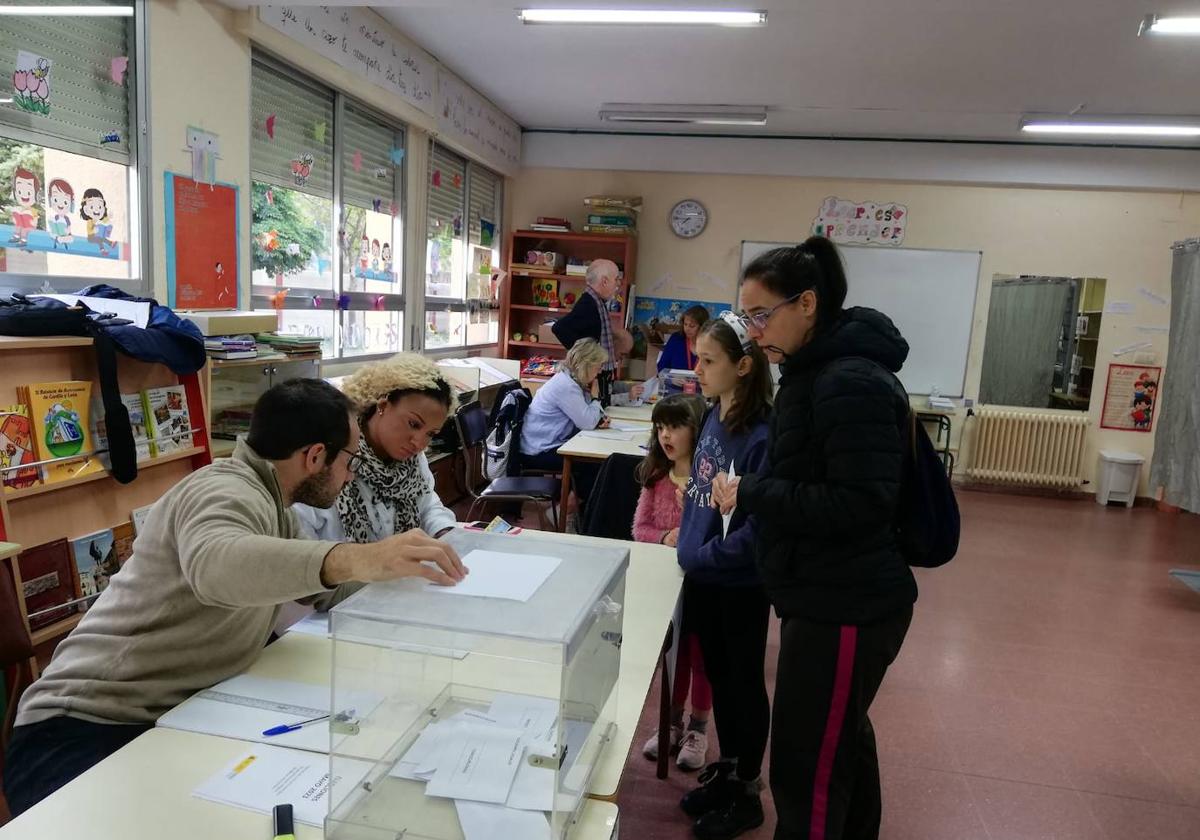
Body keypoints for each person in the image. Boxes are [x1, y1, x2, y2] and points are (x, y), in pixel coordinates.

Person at [2, 379, 466, 816]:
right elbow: (217, 566)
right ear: (315, 456)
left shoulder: (274, 507)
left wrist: (410, 577)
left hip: (179, 715)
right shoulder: (221, 488)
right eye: (350, 460)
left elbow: (324, 589)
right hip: (82, 728)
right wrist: (353, 558)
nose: (349, 475)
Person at [712, 237, 918, 840]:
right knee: (839, 748)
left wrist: (754, 491)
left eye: (760, 315)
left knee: (809, 771)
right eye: (745, 316)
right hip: (820, 594)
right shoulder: (810, 373)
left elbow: (860, 503)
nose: (751, 333)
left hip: (847, 602)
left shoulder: (847, 381)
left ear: (806, 303)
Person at [676, 316, 774, 840]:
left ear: (742, 366)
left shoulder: (762, 435)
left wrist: (708, 555)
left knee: (741, 687)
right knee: (719, 673)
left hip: (737, 583)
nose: (698, 369)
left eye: (708, 360)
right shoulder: (715, 414)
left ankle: (747, 790)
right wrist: (691, 549)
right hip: (705, 576)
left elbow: (758, 529)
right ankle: (728, 771)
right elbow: (703, 498)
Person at [294, 354, 458, 543]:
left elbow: (428, 503)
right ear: (383, 405)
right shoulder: (335, 454)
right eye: (413, 424)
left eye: (431, 434)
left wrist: (444, 531)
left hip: (403, 570)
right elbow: (303, 547)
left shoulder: (412, 459)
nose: (419, 443)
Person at [632, 394, 713, 771]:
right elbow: (640, 529)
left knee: (701, 658)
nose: (666, 435)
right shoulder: (656, 478)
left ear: (696, 431)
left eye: (675, 427)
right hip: (667, 585)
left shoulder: (708, 480)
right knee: (673, 657)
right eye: (660, 427)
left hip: (702, 583)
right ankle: (671, 721)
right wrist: (666, 537)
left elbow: (717, 533)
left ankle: (698, 727)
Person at [518, 338, 609, 512]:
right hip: (538, 450)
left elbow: (587, 415)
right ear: (586, 365)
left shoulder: (570, 381)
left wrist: (598, 417)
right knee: (593, 464)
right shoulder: (565, 386)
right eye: (597, 368)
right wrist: (596, 397)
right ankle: (562, 512)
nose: (598, 373)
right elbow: (587, 422)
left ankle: (572, 510)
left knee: (594, 462)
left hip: (548, 443)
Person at [551, 259, 632, 405]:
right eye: (616, 279)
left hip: (597, 372)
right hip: (589, 372)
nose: (618, 284)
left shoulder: (597, 302)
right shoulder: (588, 303)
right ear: (604, 281)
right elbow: (559, 328)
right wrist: (584, 355)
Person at [657, 305, 710, 372]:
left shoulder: (710, 344)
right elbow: (662, 366)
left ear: (702, 327)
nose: (687, 329)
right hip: (675, 382)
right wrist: (670, 379)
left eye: (692, 326)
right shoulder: (676, 339)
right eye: (685, 324)